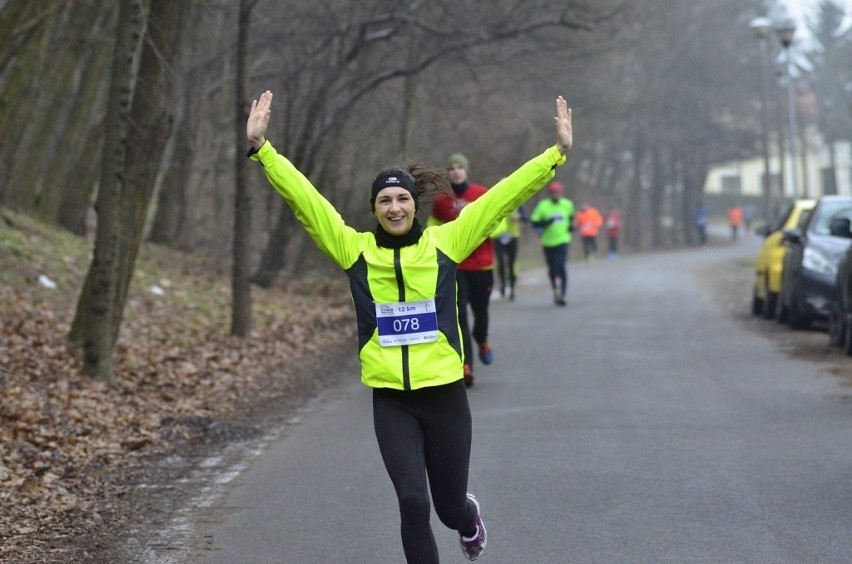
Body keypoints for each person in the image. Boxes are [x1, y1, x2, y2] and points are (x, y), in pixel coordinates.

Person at [246, 90, 573, 564]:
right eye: (384, 200)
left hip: (444, 395)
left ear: (414, 205)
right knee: (413, 503)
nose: (395, 207)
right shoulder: (354, 251)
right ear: (374, 208)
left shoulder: (447, 242)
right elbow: (307, 202)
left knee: (446, 507)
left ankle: (468, 517)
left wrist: (555, 154)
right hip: (392, 399)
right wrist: (263, 150)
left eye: (402, 198)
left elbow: (504, 196)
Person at [429, 154, 495, 387]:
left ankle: (482, 339)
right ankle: (466, 364)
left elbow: (500, 221)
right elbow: (433, 228)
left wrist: (481, 231)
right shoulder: (441, 200)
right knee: (459, 315)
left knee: (480, 311)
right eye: (451, 168)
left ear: (467, 171)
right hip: (455, 266)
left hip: (482, 264)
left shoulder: (481, 194)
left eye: (459, 168)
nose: (455, 171)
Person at [530, 180, 575, 306]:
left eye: (557, 192)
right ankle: (555, 289)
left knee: (560, 265)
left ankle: (563, 294)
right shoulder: (543, 206)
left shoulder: (567, 204)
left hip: (563, 240)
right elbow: (534, 222)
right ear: (549, 193)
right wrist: (546, 223)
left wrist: (572, 226)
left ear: (561, 193)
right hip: (548, 241)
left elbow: (571, 218)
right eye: (553, 192)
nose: (555, 194)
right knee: (552, 269)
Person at [490, 206, 524, 300]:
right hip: (499, 237)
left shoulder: (517, 205)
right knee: (501, 262)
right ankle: (503, 284)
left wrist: (519, 217)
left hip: (512, 237)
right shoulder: (498, 204)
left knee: (511, 263)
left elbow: (526, 217)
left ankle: (512, 288)